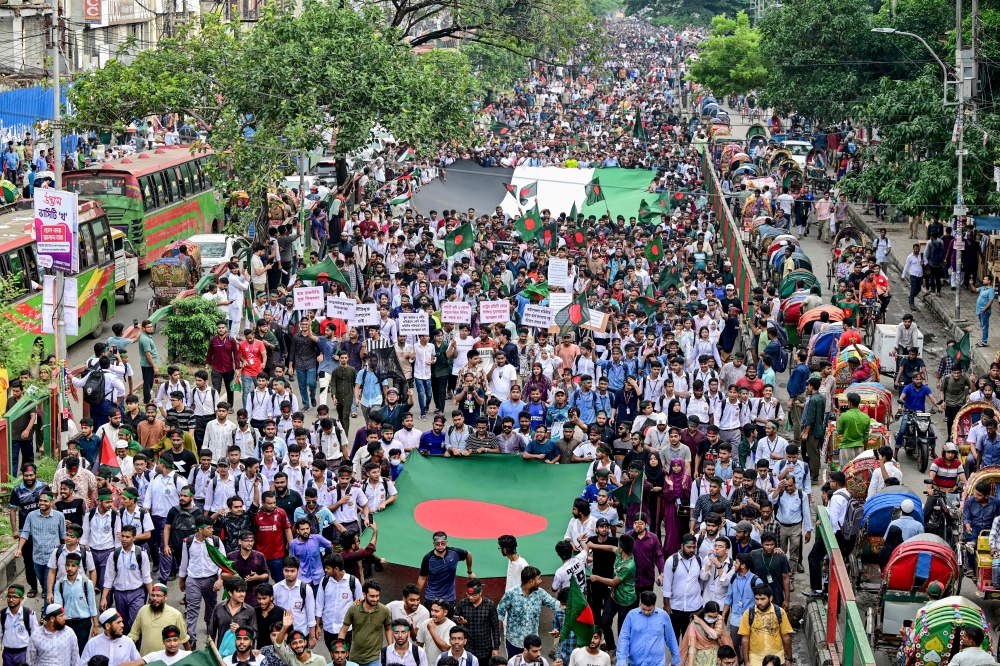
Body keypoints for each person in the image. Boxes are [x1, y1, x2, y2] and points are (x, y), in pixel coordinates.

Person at [177, 514, 230, 649]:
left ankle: (210, 638)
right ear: (200, 530)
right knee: (192, 611)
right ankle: (192, 642)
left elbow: (222, 563)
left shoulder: (216, 542)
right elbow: (184, 562)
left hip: (211, 579)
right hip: (193, 580)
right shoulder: (188, 542)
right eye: (209, 528)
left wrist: (220, 580)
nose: (212, 530)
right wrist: (182, 580)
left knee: (211, 610)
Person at [8, 463, 50, 598]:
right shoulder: (16, 491)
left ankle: (45, 587)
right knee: (29, 561)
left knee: (45, 560)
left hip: (43, 530)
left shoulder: (43, 487)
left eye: (31, 475)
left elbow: (51, 505)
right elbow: (13, 510)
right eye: (26, 475)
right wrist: (15, 530)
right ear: (22, 476)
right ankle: (32, 586)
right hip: (26, 533)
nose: (29, 478)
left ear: (35, 474)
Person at [496, 567, 559, 657]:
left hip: (533, 645)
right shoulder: (511, 594)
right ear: (531, 582)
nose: (541, 581)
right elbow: (499, 614)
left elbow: (555, 604)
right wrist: (497, 636)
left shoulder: (540, 593)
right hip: (514, 643)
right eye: (539, 579)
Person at [14, 489, 64, 598]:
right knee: (43, 581)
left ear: (51, 502)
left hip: (53, 557)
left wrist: (66, 552)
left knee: (48, 587)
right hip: (37, 557)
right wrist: (19, 549)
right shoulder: (31, 516)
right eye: (40, 501)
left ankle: (48, 610)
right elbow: (25, 533)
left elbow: (63, 536)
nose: (42, 503)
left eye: (45, 501)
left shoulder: (59, 516)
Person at [615, 590, 681, 666]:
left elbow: (670, 638)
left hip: (657, 663)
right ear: (640, 602)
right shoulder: (631, 615)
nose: (646, 612)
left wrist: (676, 657)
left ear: (654, 604)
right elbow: (624, 638)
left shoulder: (663, 616)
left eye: (649, 610)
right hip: (635, 663)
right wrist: (621, 659)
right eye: (644, 609)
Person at [338, 580, 393, 666]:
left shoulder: (384, 610)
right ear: (364, 594)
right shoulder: (354, 609)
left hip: (374, 657)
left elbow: (388, 629)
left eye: (377, 596)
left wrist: (391, 648)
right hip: (355, 657)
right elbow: (343, 630)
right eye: (372, 596)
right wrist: (339, 649)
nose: (375, 599)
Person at [127, 584, 190, 657]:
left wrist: (191, 659)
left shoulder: (175, 615)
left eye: (158, 596)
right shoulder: (142, 611)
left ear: (166, 597)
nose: (154, 598)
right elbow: (133, 634)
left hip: (167, 661)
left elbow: (184, 639)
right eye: (152, 595)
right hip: (146, 660)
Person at [737, 585, 793, 666]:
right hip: (755, 660)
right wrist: (746, 662)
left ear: (770, 598)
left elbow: (786, 637)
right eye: (757, 599)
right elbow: (745, 639)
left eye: (763, 599)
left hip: (776, 659)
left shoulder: (780, 612)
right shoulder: (748, 614)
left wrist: (789, 659)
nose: (759, 602)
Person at [453, 579, 500, 665]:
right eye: (468, 595)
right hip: (467, 648)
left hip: (485, 650)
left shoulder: (490, 605)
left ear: (480, 592)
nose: (470, 597)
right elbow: (453, 620)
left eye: (474, 595)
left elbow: (495, 628)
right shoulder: (463, 603)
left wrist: (496, 648)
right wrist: (458, 621)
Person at [418, 532, 474, 604]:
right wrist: (416, 594)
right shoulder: (428, 558)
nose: (440, 546)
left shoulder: (454, 553)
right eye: (437, 543)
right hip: (431, 596)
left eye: (443, 543)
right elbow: (422, 577)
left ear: (446, 542)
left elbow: (469, 555)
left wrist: (470, 572)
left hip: (449, 597)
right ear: (434, 544)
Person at [0, 584, 38, 665]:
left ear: (21, 599)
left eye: (14, 597)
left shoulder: (28, 614)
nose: (11, 599)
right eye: (9, 597)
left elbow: (35, 634)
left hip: (23, 653)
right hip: (7, 653)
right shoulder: (2, 614)